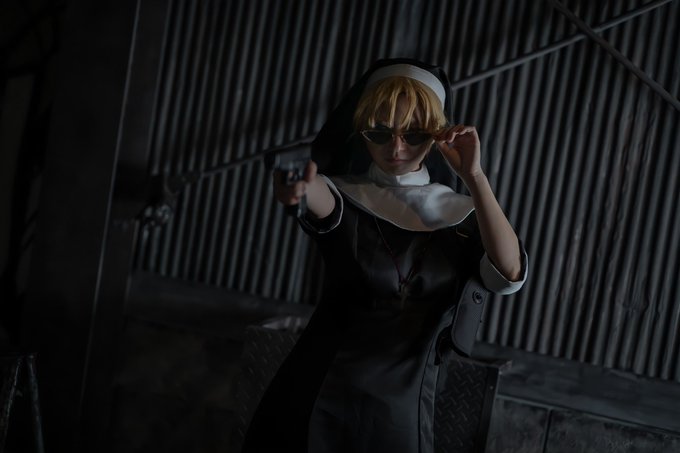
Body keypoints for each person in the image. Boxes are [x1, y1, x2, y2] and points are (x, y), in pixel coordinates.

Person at [242, 58, 528, 453]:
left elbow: (509, 274)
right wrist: (298, 188)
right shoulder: (345, 194)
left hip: (402, 409)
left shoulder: (462, 214)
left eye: (413, 133)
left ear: (436, 133)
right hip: (314, 395)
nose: (396, 148)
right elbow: (317, 194)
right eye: (379, 132)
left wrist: (474, 177)